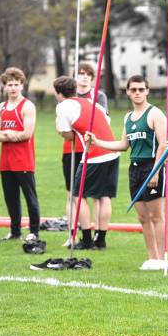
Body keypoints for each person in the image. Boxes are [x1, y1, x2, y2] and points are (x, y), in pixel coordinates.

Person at [86, 75, 168, 269]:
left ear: (147, 91)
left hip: (152, 167)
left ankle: (162, 259)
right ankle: (151, 258)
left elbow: (163, 144)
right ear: (128, 92)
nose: (137, 93)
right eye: (133, 90)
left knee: (156, 216)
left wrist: (156, 172)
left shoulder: (155, 114)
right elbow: (123, 145)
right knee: (142, 217)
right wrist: (97, 142)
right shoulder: (128, 117)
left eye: (141, 89)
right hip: (135, 169)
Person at [54, 75, 119, 250]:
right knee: (104, 196)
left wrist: (62, 131)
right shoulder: (93, 103)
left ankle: (87, 239)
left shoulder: (63, 107)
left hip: (94, 154)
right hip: (112, 150)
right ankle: (101, 240)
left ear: (58, 93)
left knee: (77, 196)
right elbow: (106, 121)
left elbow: (68, 135)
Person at [61, 62, 109, 246]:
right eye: (80, 74)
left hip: (93, 150)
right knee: (72, 194)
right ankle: (73, 234)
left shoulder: (98, 95)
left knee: (97, 194)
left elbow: (102, 121)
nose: (84, 77)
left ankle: (97, 234)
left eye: (88, 74)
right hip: (71, 150)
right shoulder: (68, 97)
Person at [0, 67, 40, 241]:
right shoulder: (1, 107)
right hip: (6, 161)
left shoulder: (27, 106)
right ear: (5, 86)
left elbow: (27, 134)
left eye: (16, 84)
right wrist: (10, 135)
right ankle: (15, 231)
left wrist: (7, 135)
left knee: (30, 198)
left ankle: (34, 232)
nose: (12, 88)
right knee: (11, 198)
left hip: (23, 160)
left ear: (22, 85)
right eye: (9, 84)